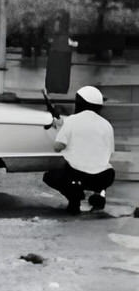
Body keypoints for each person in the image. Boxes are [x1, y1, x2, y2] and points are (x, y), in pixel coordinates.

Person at [43, 85, 117, 215]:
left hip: (77, 175)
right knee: (105, 169)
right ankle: (100, 193)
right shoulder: (107, 125)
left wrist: (60, 131)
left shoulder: (72, 121)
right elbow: (109, 152)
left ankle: (75, 198)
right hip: (104, 177)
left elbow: (57, 147)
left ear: (79, 103)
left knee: (50, 176)